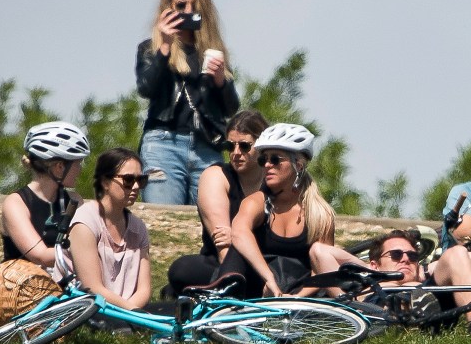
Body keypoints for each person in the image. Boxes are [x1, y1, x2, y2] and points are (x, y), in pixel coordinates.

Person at [136, 0, 239, 206]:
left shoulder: (213, 52)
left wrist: (221, 80)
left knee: (210, 224)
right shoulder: (150, 49)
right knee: (164, 218)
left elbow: (232, 107)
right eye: (181, 6)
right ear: (167, 9)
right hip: (163, 143)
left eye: (195, 7)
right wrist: (164, 46)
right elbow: (146, 88)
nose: (187, 12)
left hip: (207, 147)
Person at [218, 123, 336, 298]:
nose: (267, 165)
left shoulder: (320, 213)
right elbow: (240, 233)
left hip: (299, 291)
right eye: (263, 159)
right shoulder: (256, 201)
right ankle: (221, 300)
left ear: (299, 165)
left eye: (275, 159)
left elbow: (322, 268)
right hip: (257, 286)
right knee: (238, 246)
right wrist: (269, 279)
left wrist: (297, 298)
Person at [310, 230, 471, 337]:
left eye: (412, 256)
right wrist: (373, 272)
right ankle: (410, 314)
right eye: (396, 255)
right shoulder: (364, 287)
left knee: (457, 252)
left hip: (429, 295)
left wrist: (426, 269)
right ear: (375, 263)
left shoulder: (424, 278)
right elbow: (319, 251)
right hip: (379, 305)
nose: (405, 259)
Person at [165, 110, 269, 295]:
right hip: (222, 261)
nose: (236, 153)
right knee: (182, 270)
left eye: (245, 146)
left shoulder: (273, 181)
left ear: (262, 147)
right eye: (230, 146)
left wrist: (238, 236)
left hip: (265, 259)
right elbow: (224, 248)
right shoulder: (216, 176)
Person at [68, 148, 152, 311]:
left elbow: (144, 289)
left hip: (128, 309)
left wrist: (132, 312)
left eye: (140, 180)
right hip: (90, 308)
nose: (135, 187)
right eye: (128, 180)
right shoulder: (85, 221)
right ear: (105, 182)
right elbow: (92, 287)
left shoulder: (138, 227)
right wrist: (133, 312)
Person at [0, 121, 90, 268]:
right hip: (22, 286)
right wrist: (90, 250)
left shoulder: (74, 201)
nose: (80, 170)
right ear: (60, 167)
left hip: (62, 285)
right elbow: (40, 256)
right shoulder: (16, 203)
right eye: (77, 164)